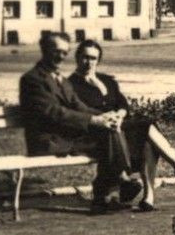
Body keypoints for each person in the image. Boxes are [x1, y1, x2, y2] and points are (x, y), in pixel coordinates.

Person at [69, 39, 175, 212]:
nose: (89, 62)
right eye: (85, 57)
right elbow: (79, 112)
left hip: (118, 127)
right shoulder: (71, 85)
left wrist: (120, 114)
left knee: (147, 136)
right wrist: (105, 117)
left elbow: (123, 104)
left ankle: (150, 196)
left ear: (98, 60)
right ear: (77, 58)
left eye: (93, 58)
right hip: (97, 133)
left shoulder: (106, 80)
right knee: (146, 128)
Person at [18, 32, 141, 213]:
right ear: (44, 50)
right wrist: (94, 120)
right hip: (48, 140)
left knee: (109, 132)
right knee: (107, 137)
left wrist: (107, 117)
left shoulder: (59, 78)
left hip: (66, 137)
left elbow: (78, 105)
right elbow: (54, 113)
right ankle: (118, 183)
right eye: (56, 51)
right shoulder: (32, 79)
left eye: (64, 52)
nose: (60, 56)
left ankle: (104, 196)